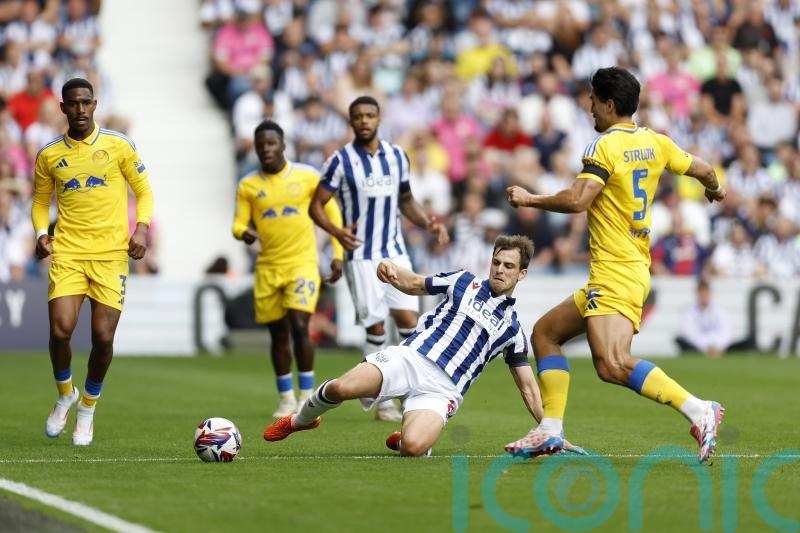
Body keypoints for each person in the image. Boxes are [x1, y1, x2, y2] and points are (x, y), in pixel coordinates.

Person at [504, 67, 726, 464]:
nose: (589, 107)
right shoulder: (656, 142)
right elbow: (706, 170)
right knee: (544, 335)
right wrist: (716, 190)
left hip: (616, 271)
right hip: (626, 268)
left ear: (609, 104)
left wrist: (529, 199)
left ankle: (698, 409)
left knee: (612, 363)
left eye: (592, 100)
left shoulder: (602, 147)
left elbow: (577, 200)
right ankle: (550, 431)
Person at [263, 236, 547, 456]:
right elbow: (413, 283)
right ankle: (299, 420)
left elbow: (528, 386)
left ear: (521, 274)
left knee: (412, 448)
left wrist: (549, 427)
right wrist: (391, 267)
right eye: (496, 262)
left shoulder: (513, 331)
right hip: (411, 358)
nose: (499, 270)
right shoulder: (463, 281)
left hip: (443, 390)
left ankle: (412, 436)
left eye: (508, 266)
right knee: (342, 388)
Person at [309, 95, 449, 422]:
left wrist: (428, 222)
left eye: (369, 115)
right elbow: (316, 205)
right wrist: (337, 231)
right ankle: (380, 400)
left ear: (378, 118)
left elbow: (406, 200)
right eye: (357, 116)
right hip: (359, 254)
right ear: (351, 120)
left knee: (408, 323)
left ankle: (409, 393)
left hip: (395, 250)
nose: (364, 121)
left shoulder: (398, 156)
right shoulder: (340, 161)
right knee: (374, 328)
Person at [32, 78, 153, 446]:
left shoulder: (118, 145)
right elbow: (40, 202)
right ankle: (65, 393)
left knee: (102, 338)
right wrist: (41, 234)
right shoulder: (50, 154)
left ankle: (87, 406)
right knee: (60, 331)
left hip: (111, 255)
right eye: (74, 104)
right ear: (63, 107)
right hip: (68, 252)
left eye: (86, 102)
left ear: (95, 104)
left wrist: (141, 231)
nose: (81, 109)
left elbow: (144, 191)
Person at [232, 120, 344, 418]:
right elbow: (239, 222)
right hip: (268, 267)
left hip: (302, 264)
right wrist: (243, 233)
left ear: (283, 145)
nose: (265, 149)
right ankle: (285, 398)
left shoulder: (307, 177)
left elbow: (331, 212)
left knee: (299, 324)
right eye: (260, 145)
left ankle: (307, 396)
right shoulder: (248, 185)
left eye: (271, 143)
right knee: (278, 334)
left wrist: (337, 253)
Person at [675, 279, 732, 358]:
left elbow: (725, 332)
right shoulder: (690, 312)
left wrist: (717, 347)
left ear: (709, 294)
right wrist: (705, 347)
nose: (703, 297)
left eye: (705, 294)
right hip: (698, 346)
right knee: (680, 340)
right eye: (701, 295)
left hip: (718, 346)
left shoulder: (720, 311)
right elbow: (689, 333)